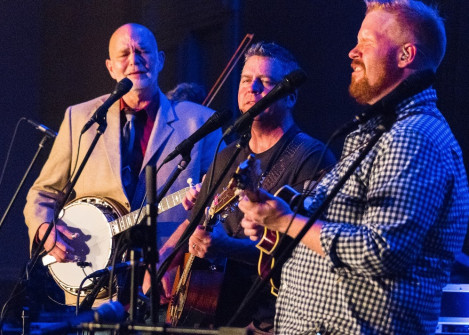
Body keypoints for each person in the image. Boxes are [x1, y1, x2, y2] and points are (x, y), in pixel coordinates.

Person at [239, 1, 469, 334]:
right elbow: (335, 233)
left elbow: (382, 249)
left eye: (367, 43)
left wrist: (286, 221)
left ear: (406, 55)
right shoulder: (376, 133)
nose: (352, 52)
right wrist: (274, 228)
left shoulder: (414, 137)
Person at [23, 23, 223, 306]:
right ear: (110, 67)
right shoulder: (80, 118)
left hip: (167, 284)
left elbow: (221, 197)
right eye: (124, 54)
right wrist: (45, 231)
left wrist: (173, 254)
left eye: (143, 51)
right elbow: (42, 194)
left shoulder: (199, 122)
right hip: (93, 287)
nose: (135, 60)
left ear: (161, 60)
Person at [159, 42, 335, 331]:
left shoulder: (311, 156)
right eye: (245, 80)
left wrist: (227, 247)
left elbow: (304, 252)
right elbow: (194, 223)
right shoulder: (227, 155)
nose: (252, 88)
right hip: (219, 310)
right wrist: (167, 259)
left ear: (290, 96)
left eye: (265, 81)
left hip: (274, 318)